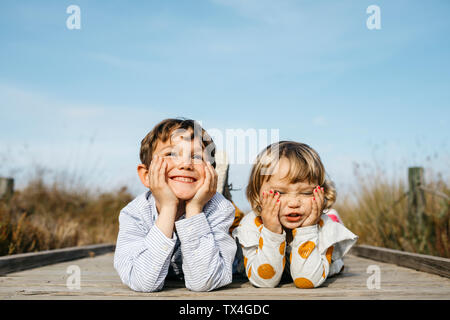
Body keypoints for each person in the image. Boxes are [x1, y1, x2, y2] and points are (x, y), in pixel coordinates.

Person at [114, 118, 237, 292]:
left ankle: (221, 185)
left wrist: (195, 209)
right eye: (171, 154)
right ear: (147, 175)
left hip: (226, 262)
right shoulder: (134, 213)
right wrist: (168, 208)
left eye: (196, 157)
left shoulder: (220, 209)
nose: (186, 164)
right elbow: (142, 282)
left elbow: (205, 281)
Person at [233, 141, 358, 288]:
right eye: (279, 192)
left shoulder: (322, 227)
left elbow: (306, 280)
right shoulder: (251, 225)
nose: (294, 203)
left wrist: (307, 229)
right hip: (267, 266)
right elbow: (264, 282)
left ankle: (333, 221)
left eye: (306, 193)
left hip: (317, 265)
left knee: (333, 264)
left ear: (320, 193)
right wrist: (271, 231)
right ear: (257, 195)